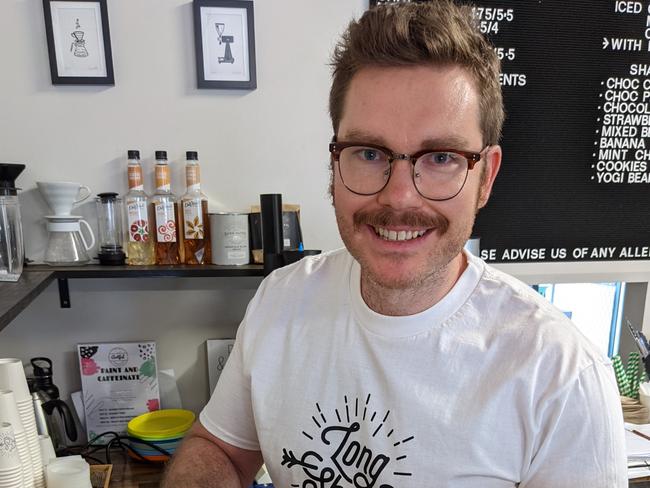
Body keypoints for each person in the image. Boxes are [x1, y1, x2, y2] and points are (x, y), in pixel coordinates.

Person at [162, 2, 626, 487]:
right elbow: (218, 447)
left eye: (441, 157)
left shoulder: (562, 375)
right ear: (334, 163)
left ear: (485, 177)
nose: (399, 196)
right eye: (369, 153)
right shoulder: (280, 299)